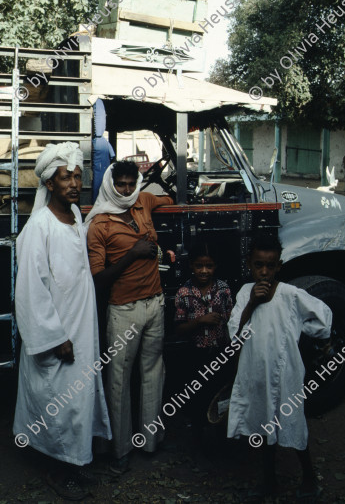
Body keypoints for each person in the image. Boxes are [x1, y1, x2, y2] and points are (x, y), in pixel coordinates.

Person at [13, 142, 111, 501]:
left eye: (77, 176)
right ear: (49, 184)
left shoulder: (75, 217)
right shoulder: (39, 227)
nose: (73, 183)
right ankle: (58, 470)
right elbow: (30, 290)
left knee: (76, 401)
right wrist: (55, 337)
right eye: (64, 177)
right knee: (58, 402)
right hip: (59, 334)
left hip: (81, 328)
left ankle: (74, 464)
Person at [227, 234, 332, 501]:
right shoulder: (243, 294)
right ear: (250, 264)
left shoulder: (290, 294)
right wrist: (252, 302)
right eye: (258, 265)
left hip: (286, 373)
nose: (264, 271)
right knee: (262, 421)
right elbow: (235, 334)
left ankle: (309, 479)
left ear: (279, 266)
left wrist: (317, 335)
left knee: (292, 421)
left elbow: (322, 317)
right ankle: (269, 481)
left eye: (270, 265)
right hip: (256, 372)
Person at [86, 160, 174, 474]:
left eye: (130, 183)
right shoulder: (100, 224)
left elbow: (168, 200)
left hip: (154, 303)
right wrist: (132, 254)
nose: (125, 190)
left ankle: (150, 441)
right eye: (120, 184)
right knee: (119, 381)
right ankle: (120, 450)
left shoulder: (142, 200)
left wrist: (160, 194)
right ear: (110, 184)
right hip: (123, 310)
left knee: (153, 373)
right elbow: (97, 280)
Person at [174, 242, 233, 435]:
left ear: (215, 266)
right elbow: (179, 329)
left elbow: (232, 321)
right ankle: (200, 434)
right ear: (191, 265)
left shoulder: (223, 290)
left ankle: (220, 433)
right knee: (198, 395)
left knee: (219, 393)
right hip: (196, 355)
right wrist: (200, 321)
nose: (204, 271)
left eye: (209, 266)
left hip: (220, 352)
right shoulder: (184, 293)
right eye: (199, 266)